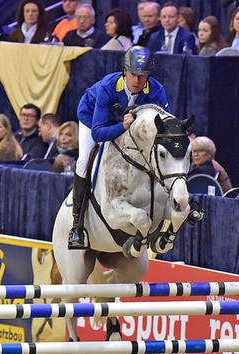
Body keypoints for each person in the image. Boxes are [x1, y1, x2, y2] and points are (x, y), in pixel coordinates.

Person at [69, 46, 169, 249]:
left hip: (127, 124)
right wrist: (122, 126)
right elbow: (98, 133)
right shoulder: (108, 86)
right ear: (125, 70)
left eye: (143, 76)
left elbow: (164, 129)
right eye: (133, 74)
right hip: (93, 119)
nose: (138, 81)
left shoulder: (157, 91)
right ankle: (77, 227)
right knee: (83, 160)